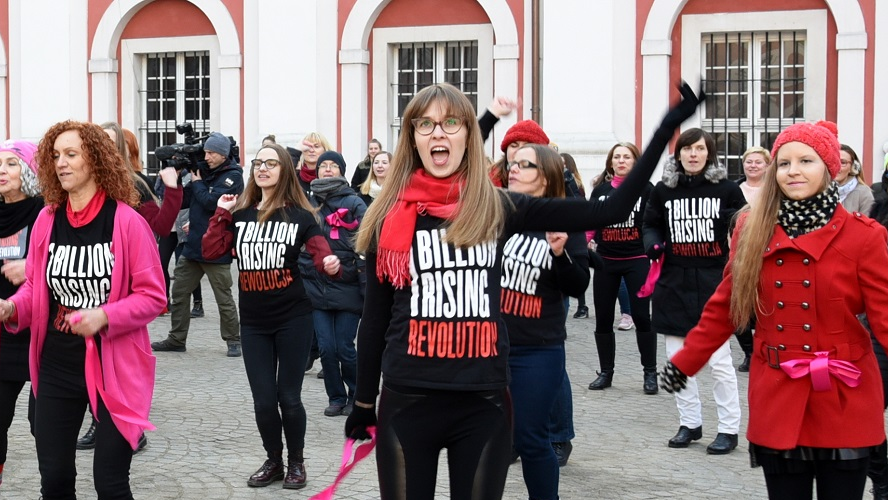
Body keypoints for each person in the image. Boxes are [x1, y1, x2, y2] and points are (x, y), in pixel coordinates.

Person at [342, 81, 704, 499]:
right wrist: (364, 402)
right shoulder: (389, 216)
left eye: (451, 123)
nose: (438, 133)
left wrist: (666, 128)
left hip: (483, 402)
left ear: (467, 138)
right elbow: (374, 320)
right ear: (412, 138)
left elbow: (611, 209)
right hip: (406, 400)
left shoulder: (498, 206)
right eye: (425, 124)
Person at [661, 120, 888, 500]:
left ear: (830, 168)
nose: (793, 171)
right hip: (778, 393)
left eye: (806, 161)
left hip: (845, 396)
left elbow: (884, 316)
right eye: (784, 163)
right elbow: (726, 307)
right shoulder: (751, 228)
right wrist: (686, 361)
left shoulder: (865, 236)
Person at [0, 120, 166, 498]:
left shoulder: (127, 221)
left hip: (114, 365)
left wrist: (105, 315)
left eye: (71, 154)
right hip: (56, 362)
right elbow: (37, 287)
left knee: (110, 482)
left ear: (96, 160)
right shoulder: (47, 219)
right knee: (55, 479)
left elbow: (153, 295)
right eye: (56, 156)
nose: (61, 163)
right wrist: (11, 309)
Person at [202, 143, 340, 490]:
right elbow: (211, 250)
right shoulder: (241, 213)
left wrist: (330, 263)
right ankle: (273, 461)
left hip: (293, 319)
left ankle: (297, 462)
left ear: (285, 171)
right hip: (254, 323)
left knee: (288, 397)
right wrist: (221, 213)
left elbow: (321, 252)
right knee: (263, 400)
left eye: (271, 163)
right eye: (258, 163)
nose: (263, 168)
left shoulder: (300, 216)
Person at [643, 127, 745, 454]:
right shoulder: (663, 190)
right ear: (679, 154)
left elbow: (742, 224)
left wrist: (733, 226)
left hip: (712, 282)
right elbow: (650, 223)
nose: (693, 155)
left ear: (708, 153)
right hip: (673, 282)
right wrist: (653, 244)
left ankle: (728, 429)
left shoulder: (727, 189)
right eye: (687, 149)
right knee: (676, 360)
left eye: (699, 149)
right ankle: (690, 423)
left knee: (719, 362)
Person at [504, 143, 589, 500]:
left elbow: (579, 283)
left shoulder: (564, 220)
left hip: (537, 351)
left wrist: (560, 255)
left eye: (525, 165)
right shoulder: (499, 214)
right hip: (488, 346)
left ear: (546, 177)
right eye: (512, 163)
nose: (513, 169)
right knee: (490, 441)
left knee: (531, 438)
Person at [152, 131, 244, 356]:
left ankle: (233, 340)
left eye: (212, 153)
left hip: (216, 247)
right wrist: (176, 178)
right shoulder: (201, 172)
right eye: (206, 152)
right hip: (193, 245)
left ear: (223, 155)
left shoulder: (233, 176)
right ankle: (176, 338)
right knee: (180, 291)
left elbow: (213, 203)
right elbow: (186, 199)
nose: (208, 156)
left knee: (223, 298)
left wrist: (198, 183)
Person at [299, 151, 366, 417]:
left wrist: (344, 267)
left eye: (333, 165)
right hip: (316, 288)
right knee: (326, 349)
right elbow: (299, 243)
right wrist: (312, 265)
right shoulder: (307, 203)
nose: (327, 169)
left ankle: (357, 395)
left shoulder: (355, 202)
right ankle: (336, 397)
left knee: (345, 348)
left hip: (348, 287)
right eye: (323, 165)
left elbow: (366, 241)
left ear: (342, 171)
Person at [587, 142, 657, 394]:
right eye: (616, 157)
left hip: (637, 259)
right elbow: (591, 223)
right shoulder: (601, 191)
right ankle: (606, 372)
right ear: (610, 162)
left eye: (626, 157)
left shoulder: (646, 190)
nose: (621, 161)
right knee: (604, 318)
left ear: (635, 161)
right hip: (606, 262)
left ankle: (650, 373)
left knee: (641, 316)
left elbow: (654, 223)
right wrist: (581, 246)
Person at [0, 140, 41, 488]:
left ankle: (52, 488)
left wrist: (32, 268)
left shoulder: (48, 212)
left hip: (44, 333)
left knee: (43, 424)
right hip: (2, 333)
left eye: (12, 164)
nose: (2, 171)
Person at [734, 146, 772, 373]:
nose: (753, 165)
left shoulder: (773, 190)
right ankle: (749, 352)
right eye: (749, 161)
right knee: (739, 309)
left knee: (764, 306)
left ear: (767, 166)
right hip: (738, 255)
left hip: (766, 254)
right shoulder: (734, 190)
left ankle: (762, 349)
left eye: (758, 162)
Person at [837, 144, 874, 215]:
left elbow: (867, 223)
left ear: (853, 167)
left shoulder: (863, 193)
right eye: (834, 161)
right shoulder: (819, 190)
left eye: (843, 162)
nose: (837, 166)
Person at [296, 132, 332, 196]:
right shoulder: (295, 176)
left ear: (325, 150)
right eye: (307, 147)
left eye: (316, 146)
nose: (311, 150)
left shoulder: (332, 174)